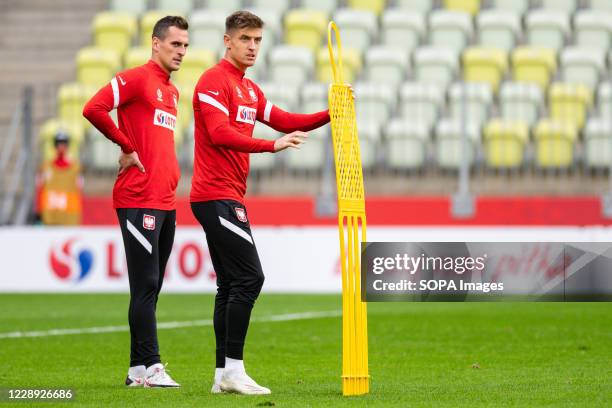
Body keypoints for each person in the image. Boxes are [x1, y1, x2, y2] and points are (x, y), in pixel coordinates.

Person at [190, 10, 331, 395]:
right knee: (251, 277)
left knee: (230, 284)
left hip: (225, 194)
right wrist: (271, 146)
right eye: (246, 39)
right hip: (215, 194)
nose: (252, 47)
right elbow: (219, 134)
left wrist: (332, 113)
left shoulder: (249, 89)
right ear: (228, 41)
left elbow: (284, 119)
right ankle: (235, 370)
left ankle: (222, 376)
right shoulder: (213, 81)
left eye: (257, 40)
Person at [82, 16, 189, 388]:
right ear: (156, 43)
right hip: (138, 198)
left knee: (152, 285)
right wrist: (126, 145)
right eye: (175, 44)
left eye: (185, 46)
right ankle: (154, 366)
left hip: (166, 201)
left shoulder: (172, 93)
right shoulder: (136, 78)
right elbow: (93, 108)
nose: (181, 52)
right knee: (145, 284)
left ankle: (136, 370)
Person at [36, 131, 83, 225]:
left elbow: (80, 188)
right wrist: (39, 211)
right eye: (58, 143)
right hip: (50, 217)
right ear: (55, 146)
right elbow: (39, 188)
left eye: (64, 143)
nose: (61, 146)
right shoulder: (45, 167)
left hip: (70, 218)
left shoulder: (76, 168)